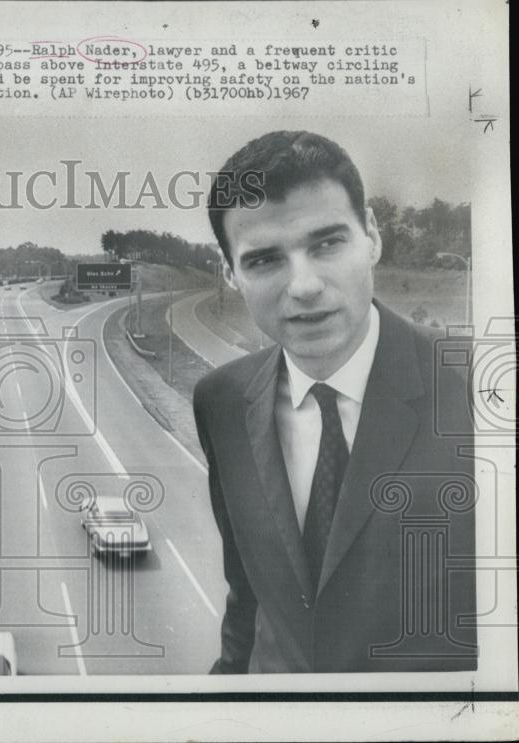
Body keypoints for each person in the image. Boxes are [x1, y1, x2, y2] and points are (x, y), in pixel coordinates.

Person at [195, 131, 476, 673]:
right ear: (230, 272)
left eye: (327, 243)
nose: (303, 286)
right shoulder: (221, 401)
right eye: (263, 260)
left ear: (370, 235)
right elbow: (248, 600)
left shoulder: (478, 389)